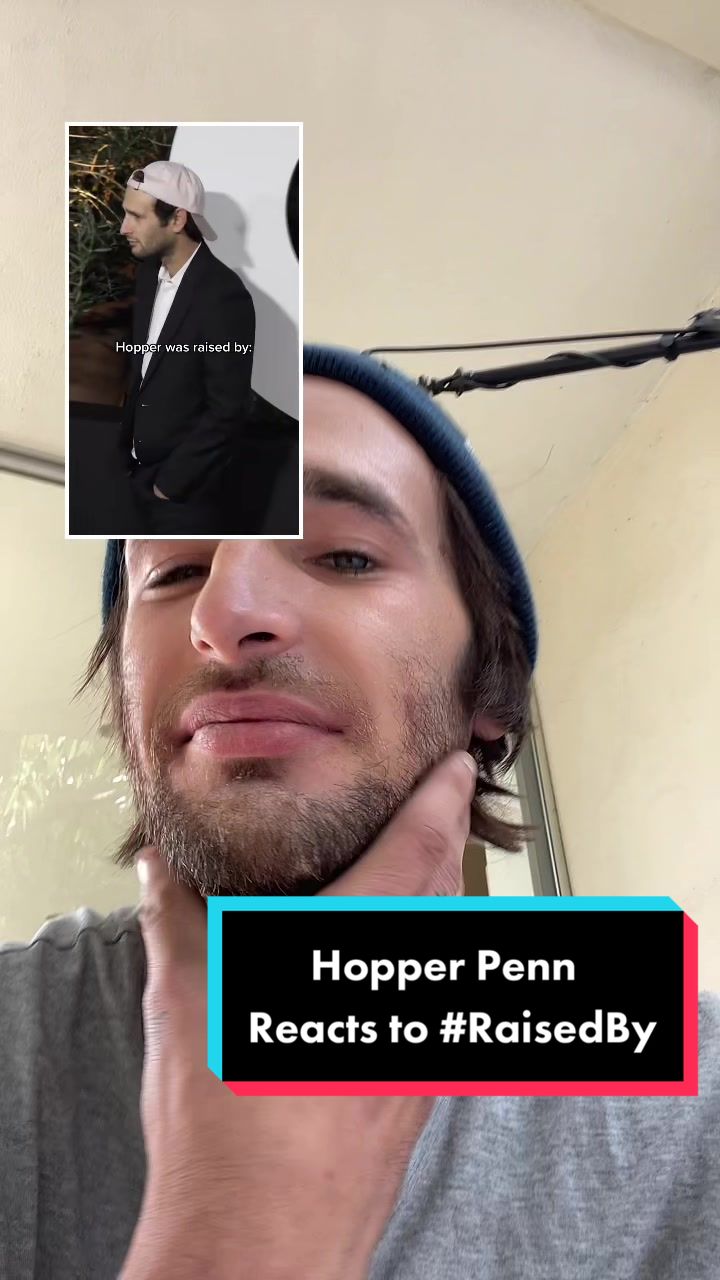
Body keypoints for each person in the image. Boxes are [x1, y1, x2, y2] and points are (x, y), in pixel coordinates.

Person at [0, 346, 717, 1279]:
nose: (224, 614)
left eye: (344, 555)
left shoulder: (689, 1097)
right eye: (173, 571)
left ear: (486, 687)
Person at [119, 160, 256, 534]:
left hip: (183, 499)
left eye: (136, 216)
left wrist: (168, 486)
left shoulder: (224, 296)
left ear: (178, 219)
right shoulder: (148, 275)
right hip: (135, 477)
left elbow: (228, 410)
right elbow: (146, 371)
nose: (124, 227)